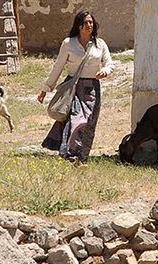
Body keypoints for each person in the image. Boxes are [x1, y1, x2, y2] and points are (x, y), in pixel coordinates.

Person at [37, 10, 113, 162]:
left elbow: (109, 63)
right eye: (85, 22)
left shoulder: (100, 44)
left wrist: (105, 71)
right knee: (77, 120)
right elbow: (57, 67)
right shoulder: (68, 43)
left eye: (91, 22)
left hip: (92, 89)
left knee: (88, 122)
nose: (89, 25)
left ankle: (80, 154)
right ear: (78, 25)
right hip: (73, 88)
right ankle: (72, 154)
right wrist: (45, 89)